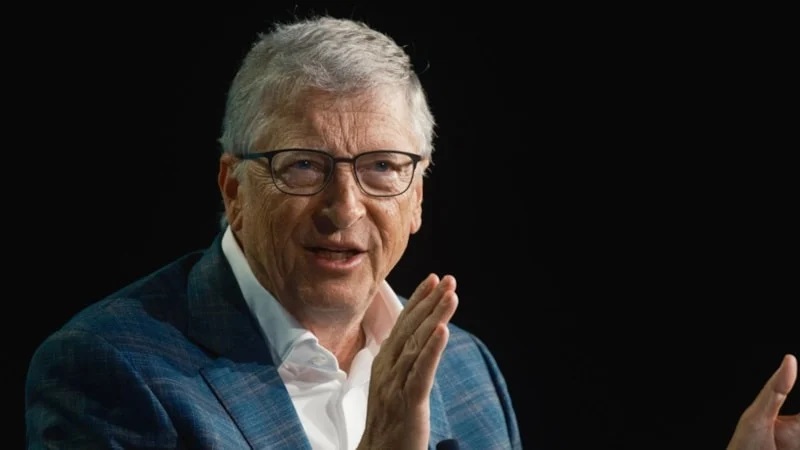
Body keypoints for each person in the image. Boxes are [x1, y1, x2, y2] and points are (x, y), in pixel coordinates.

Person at [24, 15, 798, 450]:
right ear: (233, 186)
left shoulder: (463, 366)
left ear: (419, 193)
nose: (345, 209)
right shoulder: (107, 371)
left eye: (383, 168)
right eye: (303, 167)